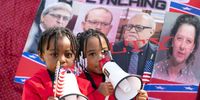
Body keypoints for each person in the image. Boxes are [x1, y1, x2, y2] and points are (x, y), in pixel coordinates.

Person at [76, 29, 148, 100]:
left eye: (104, 51)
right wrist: (99, 94)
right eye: (92, 54)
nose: (101, 57)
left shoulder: (115, 74)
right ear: (80, 57)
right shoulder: (78, 83)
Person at [22, 27, 91, 100]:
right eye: (54, 54)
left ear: (75, 57)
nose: (62, 60)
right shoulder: (33, 84)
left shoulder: (85, 85)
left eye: (68, 55)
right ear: (42, 55)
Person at [152, 14, 200, 84]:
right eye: (179, 38)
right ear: (172, 41)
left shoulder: (193, 83)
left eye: (188, 41)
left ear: (192, 48)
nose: (182, 46)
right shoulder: (153, 70)